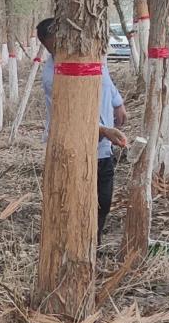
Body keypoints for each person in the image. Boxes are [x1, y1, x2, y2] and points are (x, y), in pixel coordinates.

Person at [37, 17, 129, 242]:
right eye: (52, 47)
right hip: (73, 150)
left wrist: (117, 102)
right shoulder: (53, 77)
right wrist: (104, 130)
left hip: (102, 149)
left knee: (104, 201)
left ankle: (93, 243)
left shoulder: (92, 57)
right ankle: (79, 247)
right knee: (77, 204)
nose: (59, 51)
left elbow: (106, 79)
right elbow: (69, 117)